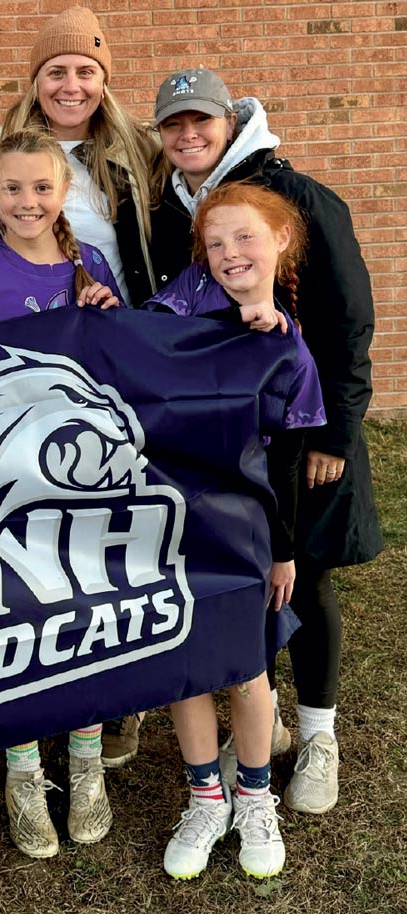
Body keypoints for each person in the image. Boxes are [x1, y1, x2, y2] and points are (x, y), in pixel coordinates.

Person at [149, 68, 382, 815]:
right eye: (174, 126)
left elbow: (347, 321)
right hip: (226, 442)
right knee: (250, 580)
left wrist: (335, 433)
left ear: (230, 122)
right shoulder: (174, 208)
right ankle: (268, 721)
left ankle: (319, 733)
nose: (188, 136)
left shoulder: (301, 198)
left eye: (201, 122)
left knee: (304, 571)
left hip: (302, 430)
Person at [0, 129, 119, 858]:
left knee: (83, 615)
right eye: (11, 189)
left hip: (81, 482)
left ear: (63, 192)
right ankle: (22, 769)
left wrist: (105, 311)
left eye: (41, 188)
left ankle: (85, 763)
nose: (27, 201)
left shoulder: (88, 264)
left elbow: (121, 358)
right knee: (15, 620)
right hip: (6, 489)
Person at [145, 181, 325, 879]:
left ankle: (254, 796)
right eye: (215, 242)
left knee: (248, 672)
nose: (229, 253)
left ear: (280, 239)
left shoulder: (287, 347)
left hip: (243, 530)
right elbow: (125, 358)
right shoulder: (177, 304)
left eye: (244, 237)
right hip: (170, 519)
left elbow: (284, 461)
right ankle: (205, 797)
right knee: (185, 668)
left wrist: (283, 552)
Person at [0, 6, 157, 309]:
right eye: (56, 73)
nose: (71, 86)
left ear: (103, 85)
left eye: (86, 72)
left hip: (115, 329)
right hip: (23, 331)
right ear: (37, 83)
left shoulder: (139, 148)